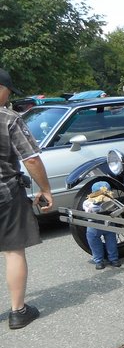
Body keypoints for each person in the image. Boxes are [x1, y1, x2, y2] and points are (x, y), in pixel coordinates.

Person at [0, 68, 54, 330]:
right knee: (12, 251)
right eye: (9, 92)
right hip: (5, 195)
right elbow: (30, 158)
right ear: (2, 89)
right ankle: (18, 311)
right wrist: (45, 189)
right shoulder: (9, 118)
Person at [82, 181, 120, 270]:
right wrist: (97, 203)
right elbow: (88, 208)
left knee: (111, 243)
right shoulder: (88, 202)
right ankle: (99, 260)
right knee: (95, 244)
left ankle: (113, 259)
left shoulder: (111, 201)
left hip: (107, 224)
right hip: (94, 225)